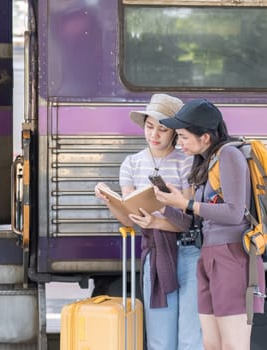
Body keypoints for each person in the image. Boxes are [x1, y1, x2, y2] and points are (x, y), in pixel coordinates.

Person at [94, 94, 204, 350]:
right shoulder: (131, 164)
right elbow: (129, 218)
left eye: (162, 129)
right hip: (155, 255)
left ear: (175, 132)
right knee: (159, 339)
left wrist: (156, 221)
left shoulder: (188, 161)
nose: (154, 134)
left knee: (191, 337)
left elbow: (191, 219)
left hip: (189, 251)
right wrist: (110, 201)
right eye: (149, 126)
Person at [154, 99, 266, 350]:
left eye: (183, 137)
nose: (179, 143)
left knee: (233, 346)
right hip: (209, 256)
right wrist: (164, 204)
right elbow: (196, 218)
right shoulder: (207, 162)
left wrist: (186, 203)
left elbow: (234, 213)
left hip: (232, 256)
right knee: (212, 345)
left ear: (205, 136)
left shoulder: (229, 155)